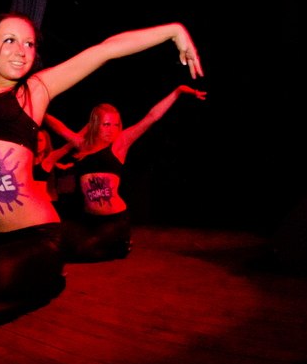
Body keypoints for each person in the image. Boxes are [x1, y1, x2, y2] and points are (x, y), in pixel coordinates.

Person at [0, 12, 202, 327]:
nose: (21, 51)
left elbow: (105, 50)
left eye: (29, 44)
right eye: (10, 40)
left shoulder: (34, 91)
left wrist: (173, 31)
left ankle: (48, 283)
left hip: (34, 237)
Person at [45, 84, 207, 262]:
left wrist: (178, 92)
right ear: (95, 125)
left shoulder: (119, 144)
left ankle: (121, 243)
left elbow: (151, 117)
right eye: (106, 124)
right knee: (58, 243)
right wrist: (36, 110)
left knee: (82, 252)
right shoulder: (83, 145)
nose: (112, 129)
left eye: (116, 125)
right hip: (89, 221)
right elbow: (59, 127)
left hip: (114, 221)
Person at [33, 129, 75, 203]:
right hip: (30, 200)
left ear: (46, 142)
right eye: (35, 140)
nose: (37, 144)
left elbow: (65, 149)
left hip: (46, 200)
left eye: (40, 140)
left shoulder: (50, 159)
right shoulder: (28, 158)